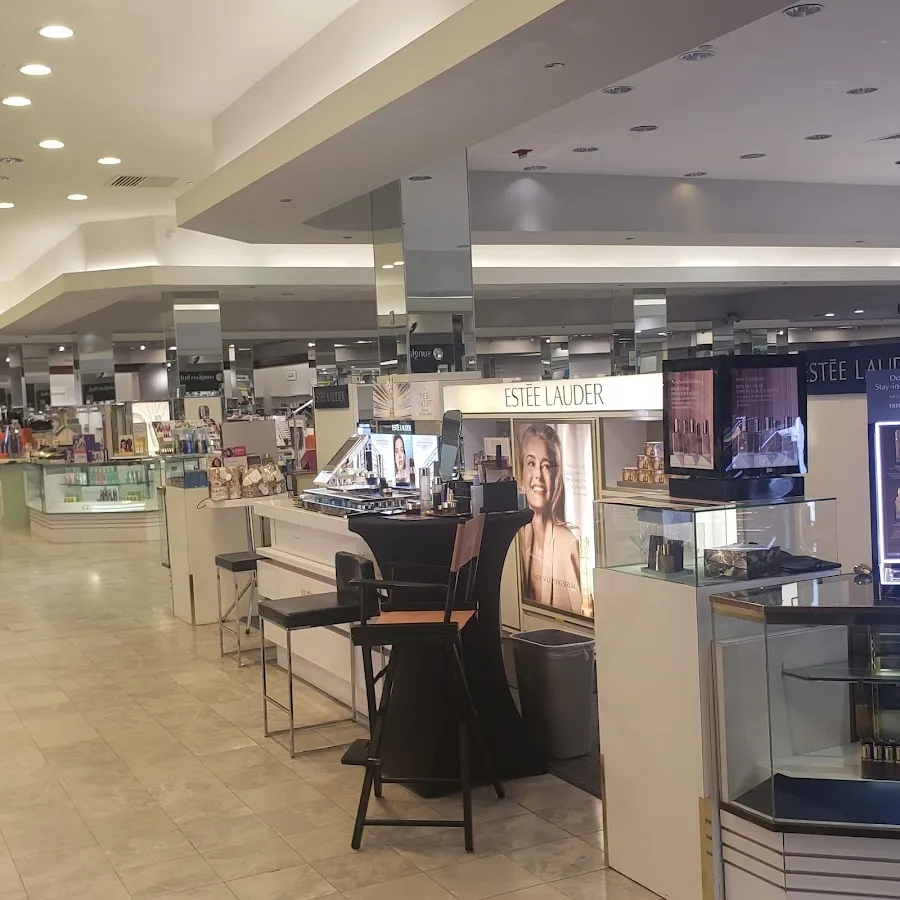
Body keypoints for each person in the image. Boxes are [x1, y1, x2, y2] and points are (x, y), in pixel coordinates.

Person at [517, 423, 582, 614]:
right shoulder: (516, 537)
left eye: (546, 466)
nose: (538, 475)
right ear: (521, 475)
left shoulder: (568, 543)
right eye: (531, 463)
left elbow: (581, 615)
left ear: (555, 477)